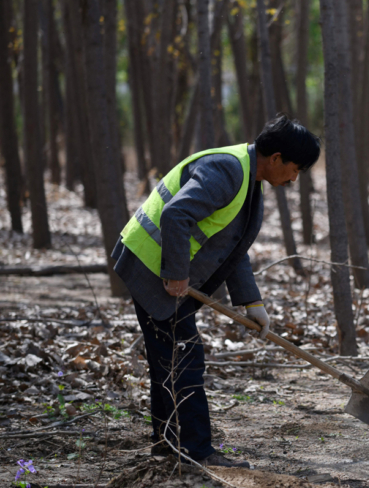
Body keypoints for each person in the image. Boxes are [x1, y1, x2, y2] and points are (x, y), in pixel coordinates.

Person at [111, 115, 320, 468]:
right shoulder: (227, 170)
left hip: (156, 266)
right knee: (185, 359)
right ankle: (196, 451)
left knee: (170, 361)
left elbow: (230, 246)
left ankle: (169, 444)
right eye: (295, 169)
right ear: (276, 158)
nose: (294, 178)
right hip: (150, 266)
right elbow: (176, 215)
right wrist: (176, 274)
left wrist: (252, 302)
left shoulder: (247, 178)